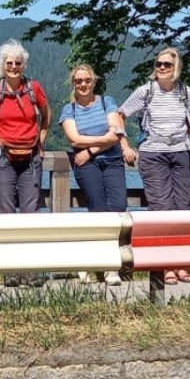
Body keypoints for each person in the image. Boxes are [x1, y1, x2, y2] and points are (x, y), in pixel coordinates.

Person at [0, 40, 51, 288]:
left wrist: (41, 140)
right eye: (9, 63)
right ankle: (10, 271)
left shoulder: (34, 88)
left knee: (31, 213)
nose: (14, 67)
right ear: (3, 65)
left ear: (24, 65)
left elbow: (47, 116)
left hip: (31, 158)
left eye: (18, 63)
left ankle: (32, 270)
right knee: (4, 214)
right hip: (2, 156)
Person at [118, 47, 190, 286]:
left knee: (182, 209)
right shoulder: (146, 91)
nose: (162, 68)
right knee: (161, 209)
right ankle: (164, 267)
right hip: (153, 153)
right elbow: (118, 114)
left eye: (167, 65)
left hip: (182, 152)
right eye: (158, 64)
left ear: (176, 68)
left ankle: (181, 264)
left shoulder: (186, 92)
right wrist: (125, 145)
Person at [60, 64, 128, 286]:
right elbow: (75, 140)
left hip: (111, 161)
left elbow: (116, 132)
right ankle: (92, 264)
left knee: (117, 208)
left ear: (94, 82)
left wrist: (90, 150)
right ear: (74, 84)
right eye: (78, 81)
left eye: (87, 80)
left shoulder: (107, 101)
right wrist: (104, 141)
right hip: (86, 166)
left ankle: (110, 265)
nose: (83, 85)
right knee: (97, 211)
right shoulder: (69, 110)